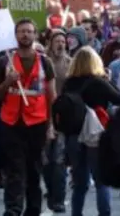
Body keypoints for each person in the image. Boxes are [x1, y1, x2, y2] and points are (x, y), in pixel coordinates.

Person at [0, 19, 57, 216]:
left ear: (35, 35)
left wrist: (51, 125)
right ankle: (13, 209)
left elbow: (51, 96)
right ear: (15, 35)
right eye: (21, 31)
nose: (25, 35)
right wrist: (7, 82)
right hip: (11, 122)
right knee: (14, 169)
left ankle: (33, 209)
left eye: (29, 31)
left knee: (34, 169)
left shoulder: (45, 62)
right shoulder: (4, 62)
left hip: (37, 123)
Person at [62, 46, 120, 216]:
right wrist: (108, 80)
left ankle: (76, 213)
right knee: (101, 181)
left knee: (79, 184)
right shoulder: (99, 82)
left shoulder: (69, 83)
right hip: (97, 134)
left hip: (74, 134)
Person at [43, 30, 71, 213]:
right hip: (43, 114)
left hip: (63, 116)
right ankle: (51, 192)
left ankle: (59, 198)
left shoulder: (71, 63)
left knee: (59, 159)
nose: (60, 44)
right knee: (45, 160)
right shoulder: (43, 62)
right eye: (57, 41)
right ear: (51, 43)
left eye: (63, 41)